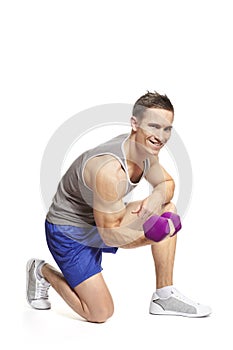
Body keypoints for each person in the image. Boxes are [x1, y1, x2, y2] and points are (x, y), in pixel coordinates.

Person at [26, 91, 211, 322]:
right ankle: (41, 270)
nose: (161, 136)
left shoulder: (144, 149)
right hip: (69, 231)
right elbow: (110, 235)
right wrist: (152, 236)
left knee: (167, 208)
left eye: (167, 129)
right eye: (154, 126)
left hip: (101, 217)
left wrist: (154, 200)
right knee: (100, 313)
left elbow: (166, 183)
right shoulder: (108, 171)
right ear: (134, 123)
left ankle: (164, 296)